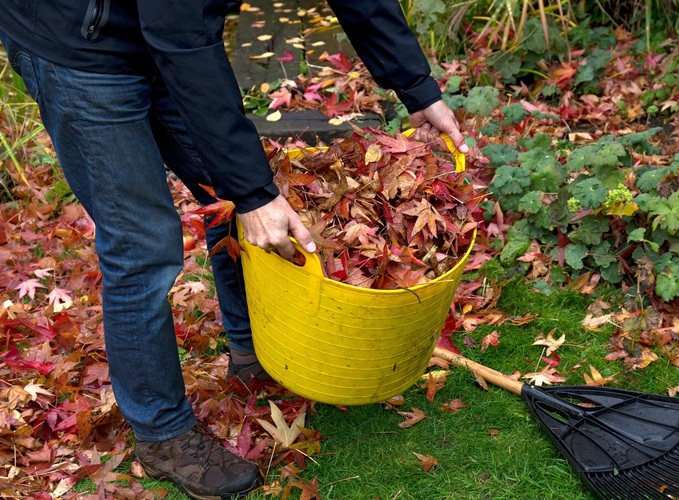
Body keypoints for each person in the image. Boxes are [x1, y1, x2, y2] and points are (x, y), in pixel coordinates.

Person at [0, 1, 468, 498]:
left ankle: (252, 351)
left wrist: (415, 85)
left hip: (164, 29)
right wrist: (253, 193)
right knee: (143, 243)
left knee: (228, 188)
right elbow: (179, 34)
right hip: (77, 43)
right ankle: (162, 432)